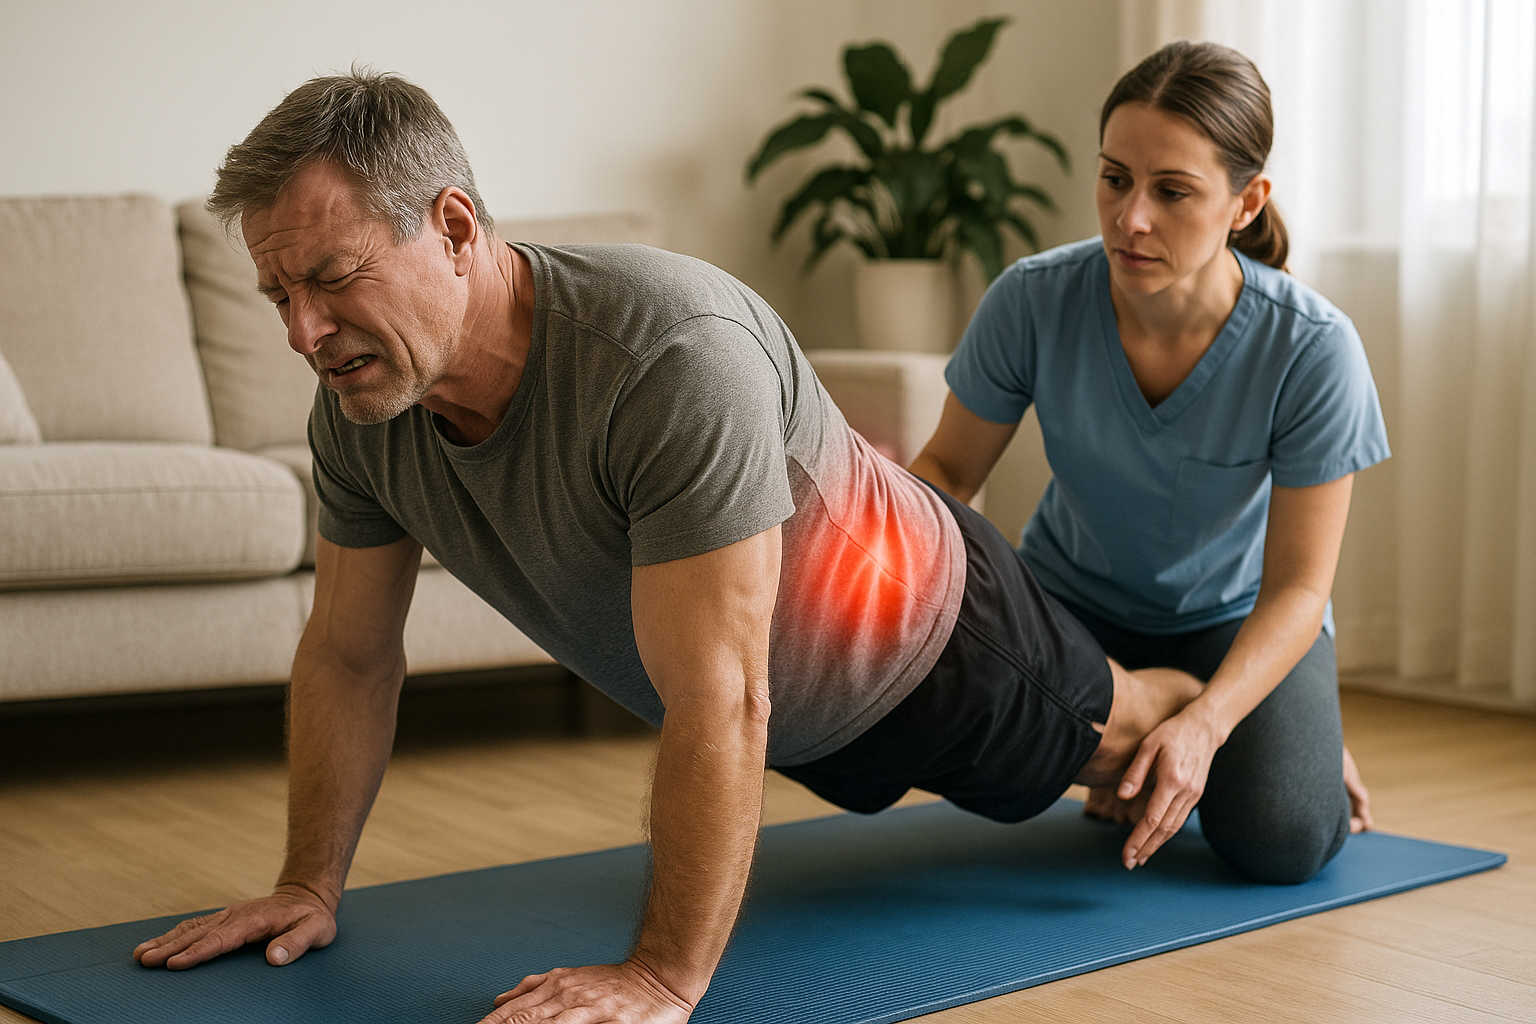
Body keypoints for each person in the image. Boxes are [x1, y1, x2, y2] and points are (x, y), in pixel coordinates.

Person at [130, 70, 1204, 1024]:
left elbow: (723, 695)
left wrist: (662, 975)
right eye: (279, 294)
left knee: (1121, 745)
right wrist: (308, 884)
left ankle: (1217, 684)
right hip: (804, 724)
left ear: (454, 226)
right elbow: (348, 653)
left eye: (333, 276)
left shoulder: (668, 354)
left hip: (936, 643)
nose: (301, 333)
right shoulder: (364, 407)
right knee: (1085, 791)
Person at [910, 40, 1390, 888]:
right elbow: (948, 470)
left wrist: (1210, 722)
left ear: (1246, 203)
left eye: (1173, 192)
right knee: (977, 770)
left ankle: (1266, 725)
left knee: (1284, 839)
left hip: (1235, 620)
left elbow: (1297, 590)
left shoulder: (1315, 349)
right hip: (1068, 607)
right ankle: (1151, 708)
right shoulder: (1031, 298)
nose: (1131, 218)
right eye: (1115, 178)